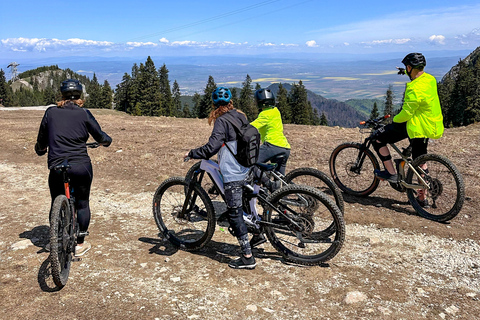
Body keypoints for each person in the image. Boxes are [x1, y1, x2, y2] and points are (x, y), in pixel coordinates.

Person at [35, 79, 112, 256]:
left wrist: (41, 149)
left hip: (57, 166)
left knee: (56, 200)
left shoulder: (50, 113)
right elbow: (100, 136)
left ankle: (56, 240)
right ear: (80, 97)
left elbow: (41, 141)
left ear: (61, 96)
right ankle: (80, 244)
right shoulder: (84, 114)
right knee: (82, 203)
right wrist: (106, 141)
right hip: (80, 166)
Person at [185, 87, 256, 270]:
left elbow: (211, 148)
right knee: (245, 204)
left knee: (235, 213)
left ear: (214, 104)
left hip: (234, 172)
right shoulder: (239, 115)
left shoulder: (221, 121)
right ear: (230, 102)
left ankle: (248, 257)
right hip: (247, 166)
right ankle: (258, 234)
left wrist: (193, 153)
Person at [372, 53, 444, 206]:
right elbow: (417, 76)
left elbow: (406, 114)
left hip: (416, 126)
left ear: (410, 67)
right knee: (420, 159)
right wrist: (404, 71)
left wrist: (392, 121)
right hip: (429, 125)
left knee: (377, 139)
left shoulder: (413, 88)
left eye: (407, 68)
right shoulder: (430, 79)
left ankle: (391, 174)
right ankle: (421, 199)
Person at [250, 88, 291, 189]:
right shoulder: (275, 111)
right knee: (280, 181)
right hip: (284, 147)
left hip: (272, 146)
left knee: (250, 162)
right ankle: (281, 200)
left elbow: (251, 128)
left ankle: (268, 184)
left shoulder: (264, 114)